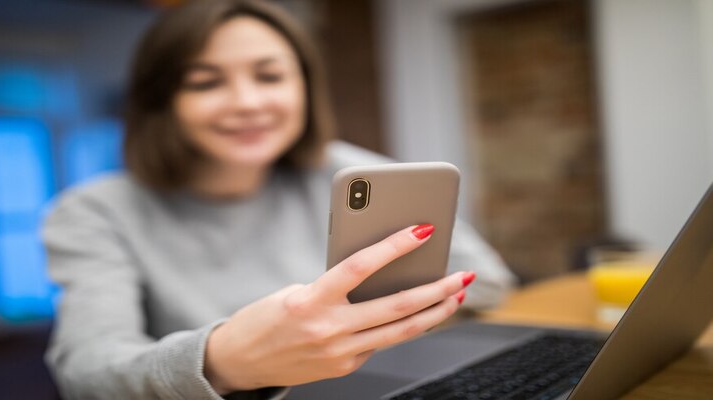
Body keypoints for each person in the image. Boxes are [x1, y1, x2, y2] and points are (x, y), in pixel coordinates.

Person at [42, 0, 516, 399]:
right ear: (162, 101)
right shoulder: (95, 211)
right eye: (206, 82)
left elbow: (488, 280)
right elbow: (86, 371)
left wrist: (373, 319)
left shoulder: (340, 168)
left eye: (269, 77)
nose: (247, 101)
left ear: (304, 88)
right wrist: (221, 360)